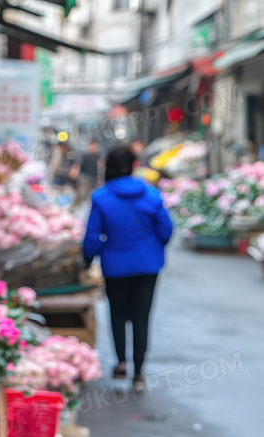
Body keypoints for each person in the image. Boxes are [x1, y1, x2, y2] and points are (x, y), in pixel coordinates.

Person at [82, 146, 172, 392]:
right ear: (133, 165)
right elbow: (166, 229)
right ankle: (139, 374)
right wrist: (153, 248)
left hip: (115, 266)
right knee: (142, 318)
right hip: (148, 266)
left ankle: (121, 361)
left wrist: (88, 260)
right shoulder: (151, 194)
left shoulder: (101, 197)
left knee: (118, 314)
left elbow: (92, 236)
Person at [72, 139, 103, 210]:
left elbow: (101, 168)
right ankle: (74, 209)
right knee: (81, 196)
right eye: (92, 145)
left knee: (94, 199)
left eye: (95, 145)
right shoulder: (84, 156)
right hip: (85, 180)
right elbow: (78, 165)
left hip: (96, 181)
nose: (93, 147)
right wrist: (75, 171)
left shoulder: (99, 156)